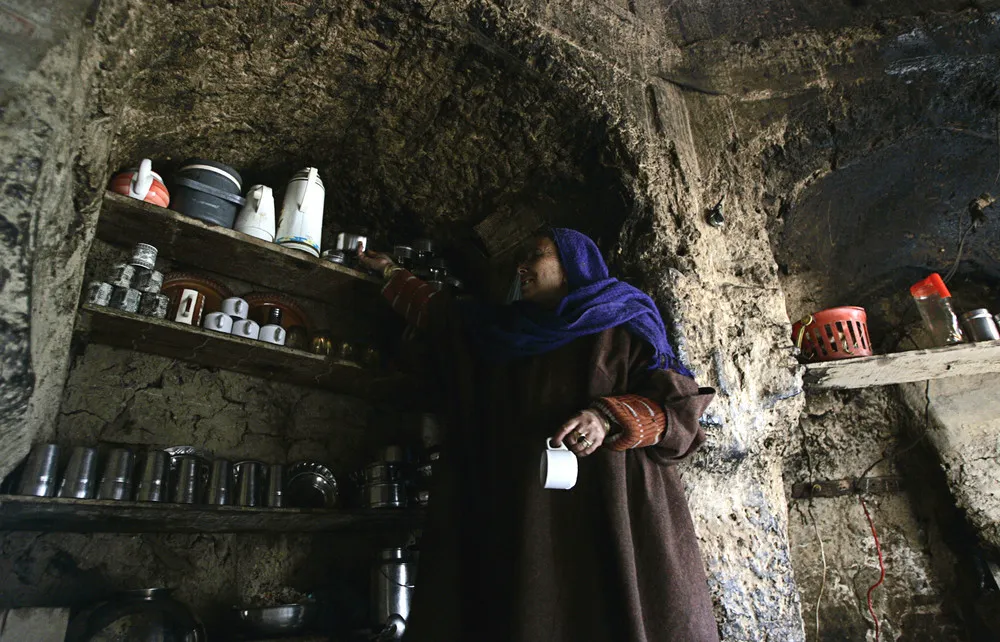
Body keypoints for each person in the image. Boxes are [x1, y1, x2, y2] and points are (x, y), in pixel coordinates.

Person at [358, 228, 719, 642]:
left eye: (536, 255)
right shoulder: (506, 331)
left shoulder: (622, 321)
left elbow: (676, 412)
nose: (522, 266)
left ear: (573, 265)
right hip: (529, 513)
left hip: (612, 507)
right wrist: (391, 273)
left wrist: (607, 418)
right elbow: (446, 317)